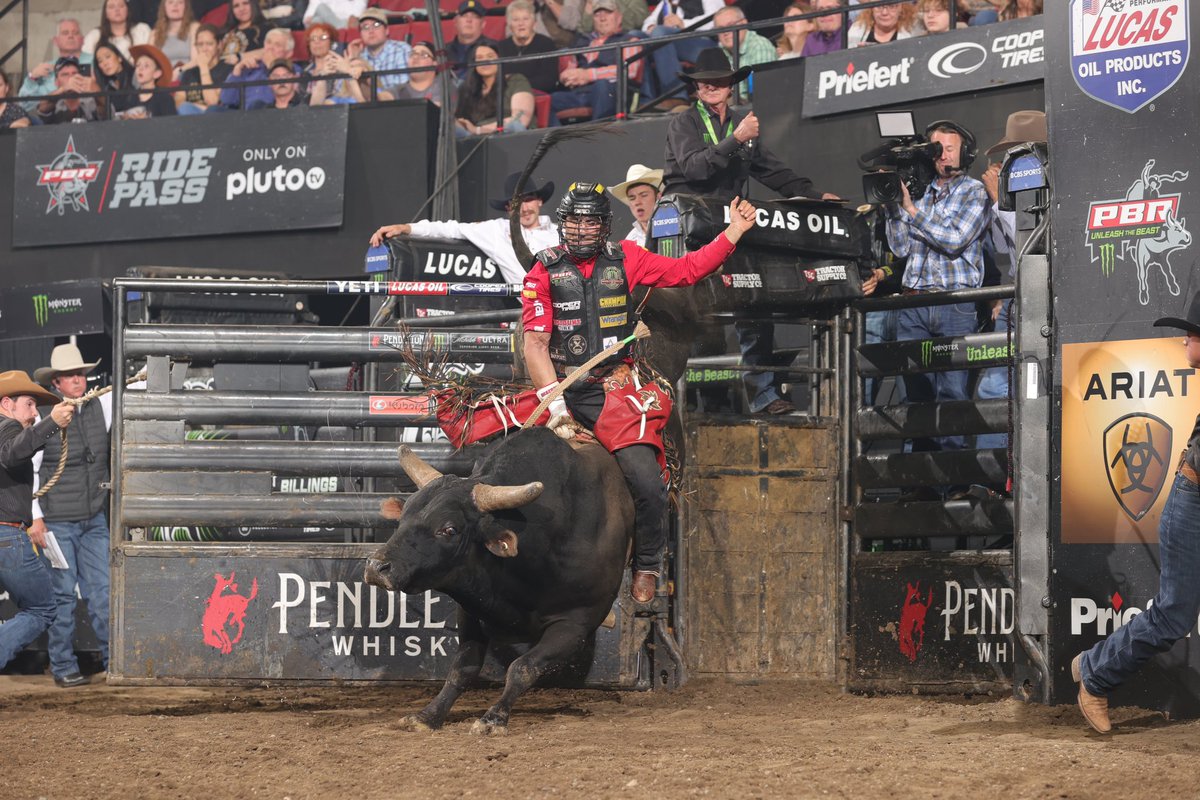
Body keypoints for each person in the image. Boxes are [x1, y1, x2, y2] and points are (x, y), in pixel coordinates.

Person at [521, 182, 760, 603]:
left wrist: (733, 234)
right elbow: (535, 344)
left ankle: (647, 564)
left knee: (648, 481)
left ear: (604, 226)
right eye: (574, 221)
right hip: (556, 387)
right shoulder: (542, 272)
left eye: (589, 221)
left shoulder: (627, 258)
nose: (581, 229)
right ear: (562, 225)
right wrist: (555, 405)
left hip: (611, 389)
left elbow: (686, 270)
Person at [663, 49, 839, 415]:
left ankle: (763, 394)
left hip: (734, 227)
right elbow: (695, 171)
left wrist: (817, 195)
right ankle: (699, 400)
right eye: (704, 81)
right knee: (698, 314)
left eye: (718, 80)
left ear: (731, 86)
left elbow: (773, 173)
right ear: (695, 87)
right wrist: (736, 138)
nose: (710, 85)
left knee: (753, 302)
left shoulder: (744, 126)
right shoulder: (684, 123)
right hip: (691, 232)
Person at [1072, 291, 1200, 734]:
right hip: (1193, 501)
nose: (1185, 344)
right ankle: (1096, 674)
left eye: (1191, 335)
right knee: (1173, 615)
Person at [884, 119, 989, 468]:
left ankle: (955, 480)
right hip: (913, 302)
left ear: (966, 152)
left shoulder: (973, 191)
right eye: (936, 148)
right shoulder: (919, 195)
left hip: (953, 304)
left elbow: (954, 239)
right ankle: (922, 484)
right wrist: (894, 206)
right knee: (915, 396)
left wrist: (912, 211)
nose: (942, 154)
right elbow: (900, 249)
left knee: (952, 393)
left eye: (950, 147)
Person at [27, 348, 108, 689]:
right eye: (70, 375)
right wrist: (36, 519)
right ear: (57, 382)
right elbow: (30, 469)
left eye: (81, 373)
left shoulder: (100, 405)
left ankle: (113, 662)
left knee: (103, 592)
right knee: (62, 595)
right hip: (57, 521)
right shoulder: (45, 417)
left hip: (93, 518)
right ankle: (62, 666)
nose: (78, 379)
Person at [974, 110, 1046, 453]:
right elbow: (1005, 249)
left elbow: (1027, 246)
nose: (1006, 162)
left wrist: (997, 200)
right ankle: (993, 474)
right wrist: (1002, 200)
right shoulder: (1016, 192)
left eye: (1015, 152)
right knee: (993, 387)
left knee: (1032, 387)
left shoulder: (1049, 186)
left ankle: (1021, 470)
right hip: (1019, 295)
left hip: (1043, 300)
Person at [0, 371, 75, 679]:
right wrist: (51, 424)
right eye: (30, 404)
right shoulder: (6, 427)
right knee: (42, 609)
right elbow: (13, 452)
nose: (34, 413)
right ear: (7, 404)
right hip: (7, 536)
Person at [369, 174, 559, 285]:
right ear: (508, 208)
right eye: (518, 203)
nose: (525, 208)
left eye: (529, 200)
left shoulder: (562, 233)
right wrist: (405, 228)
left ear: (539, 200)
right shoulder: (495, 231)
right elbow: (450, 229)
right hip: (534, 311)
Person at [549, 0, 642, 125]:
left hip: (611, 92)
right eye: (597, 15)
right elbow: (571, 67)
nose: (602, 18)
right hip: (580, 93)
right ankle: (557, 142)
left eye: (608, 13)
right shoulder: (584, 42)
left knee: (602, 86)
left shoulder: (629, 40)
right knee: (548, 100)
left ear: (619, 17)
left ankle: (598, 137)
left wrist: (589, 75)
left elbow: (629, 70)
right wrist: (568, 76)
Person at [641, 0, 723, 108]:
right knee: (637, 37)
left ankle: (677, 96)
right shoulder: (666, 3)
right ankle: (647, 100)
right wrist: (650, 27)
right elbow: (648, 21)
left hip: (704, 42)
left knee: (660, 33)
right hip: (675, 42)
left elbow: (719, 17)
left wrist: (682, 23)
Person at [455, 40, 535, 137]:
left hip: (511, 137)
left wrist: (478, 130)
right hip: (476, 141)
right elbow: (461, 123)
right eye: (479, 58)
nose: (485, 61)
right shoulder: (465, 89)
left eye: (490, 56)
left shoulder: (516, 80)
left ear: (499, 59)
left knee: (515, 126)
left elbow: (520, 121)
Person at [19, 18, 93, 113]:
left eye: (75, 32)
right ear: (55, 41)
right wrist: (32, 78)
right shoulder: (45, 69)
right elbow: (25, 105)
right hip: (53, 121)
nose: (70, 36)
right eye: (65, 33)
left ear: (82, 40)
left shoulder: (96, 61)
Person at [219, 28, 300, 110]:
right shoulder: (250, 67)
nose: (270, 48)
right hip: (244, 117)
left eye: (277, 45)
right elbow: (227, 100)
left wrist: (271, 67)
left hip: (272, 115)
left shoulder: (293, 71)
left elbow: (283, 99)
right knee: (214, 110)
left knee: (257, 105)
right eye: (268, 42)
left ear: (289, 53)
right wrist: (237, 71)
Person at [497, 0, 561, 95]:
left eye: (525, 19)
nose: (521, 23)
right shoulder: (501, 47)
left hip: (537, 95)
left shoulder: (546, 44)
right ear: (510, 25)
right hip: (505, 96)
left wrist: (516, 84)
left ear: (534, 23)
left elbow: (549, 81)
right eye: (515, 20)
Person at [713, 6, 775, 99]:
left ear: (744, 23)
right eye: (721, 29)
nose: (725, 32)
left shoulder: (759, 46)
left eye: (730, 25)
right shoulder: (719, 52)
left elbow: (762, 94)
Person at [351, 7, 411, 97]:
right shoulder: (360, 57)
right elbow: (343, 95)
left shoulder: (402, 50)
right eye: (365, 27)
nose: (371, 31)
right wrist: (353, 58)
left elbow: (402, 91)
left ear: (387, 30)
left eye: (376, 25)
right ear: (360, 34)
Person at [175, 23, 232, 114]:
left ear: (219, 45)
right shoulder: (189, 73)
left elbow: (213, 102)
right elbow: (178, 102)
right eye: (200, 44)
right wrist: (198, 107)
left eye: (209, 44)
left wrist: (203, 67)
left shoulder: (227, 69)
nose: (204, 49)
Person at [610, 164, 664, 247]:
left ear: (658, 197)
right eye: (632, 198)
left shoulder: (677, 228)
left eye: (644, 195)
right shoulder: (630, 240)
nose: (637, 202)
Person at [35, 57, 101, 125]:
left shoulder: (90, 100)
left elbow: (106, 111)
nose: (71, 78)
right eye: (65, 75)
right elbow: (42, 108)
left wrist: (97, 89)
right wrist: (64, 88)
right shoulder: (55, 104)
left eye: (74, 73)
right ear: (57, 82)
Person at [83, 0, 152, 59]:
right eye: (111, 7)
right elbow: (85, 63)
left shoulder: (142, 30)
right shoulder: (95, 35)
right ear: (105, 13)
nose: (117, 9)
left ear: (127, 10)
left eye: (121, 6)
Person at [126, 43, 178, 117]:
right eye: (138, 65)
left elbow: (171, 124)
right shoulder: (131, 97)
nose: (140, 69)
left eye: (146, 66)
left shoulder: (164, 98)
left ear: (157, 73)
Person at [150, 0, 200, 75]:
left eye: (180, 2)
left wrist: (180, 70)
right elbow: (150, 61)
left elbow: (197, 60)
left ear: (186, 7)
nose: (175, 5)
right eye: (170, 2)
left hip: (186, 77)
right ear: (164, 7)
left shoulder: (194, 28)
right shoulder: (155, 33)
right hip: (162, 78)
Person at [93, 39, 140, 118]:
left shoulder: (135, 75)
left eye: (108, 57)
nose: (105, 63)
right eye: (100, 61)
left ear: (119, 58)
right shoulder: (105, 87)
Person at [393, 41, 448, 106]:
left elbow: (436, 111)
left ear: (435, 63)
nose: (415, 57)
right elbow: (384, 96)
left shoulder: (445, 87)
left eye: (423, 55)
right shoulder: (399, 89)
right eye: (412, 54)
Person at [448, 0, 487, 82]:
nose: (469, 20)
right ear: (455, 21)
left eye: (475, 16)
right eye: (464, 15)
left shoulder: (493, 49)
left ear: (483, 23)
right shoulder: (443, 51)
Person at [846, 1, 917, 47]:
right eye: (879, 6)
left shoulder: (912, 31)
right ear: (872, 8)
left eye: (891, 6)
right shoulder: (858, 28)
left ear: (900, 7)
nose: (884, 12)